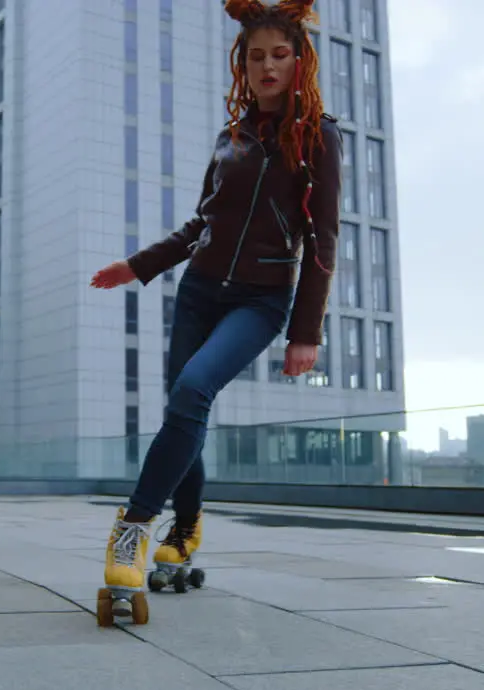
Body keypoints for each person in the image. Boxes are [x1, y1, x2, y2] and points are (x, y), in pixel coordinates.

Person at [89, 0, 341, 624]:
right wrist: (140, 265)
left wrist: (305, 332)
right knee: (183, 404)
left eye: (279, 55)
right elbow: (201, 222)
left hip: (261, 299)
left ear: (299, 60)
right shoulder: (231, 137)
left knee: (194, 388)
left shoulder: (319, 136)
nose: (266, 67)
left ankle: (134, 529)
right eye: (256, 57)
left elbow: (324, 239)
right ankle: (187, 526)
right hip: (200, 288)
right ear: (242, 63)